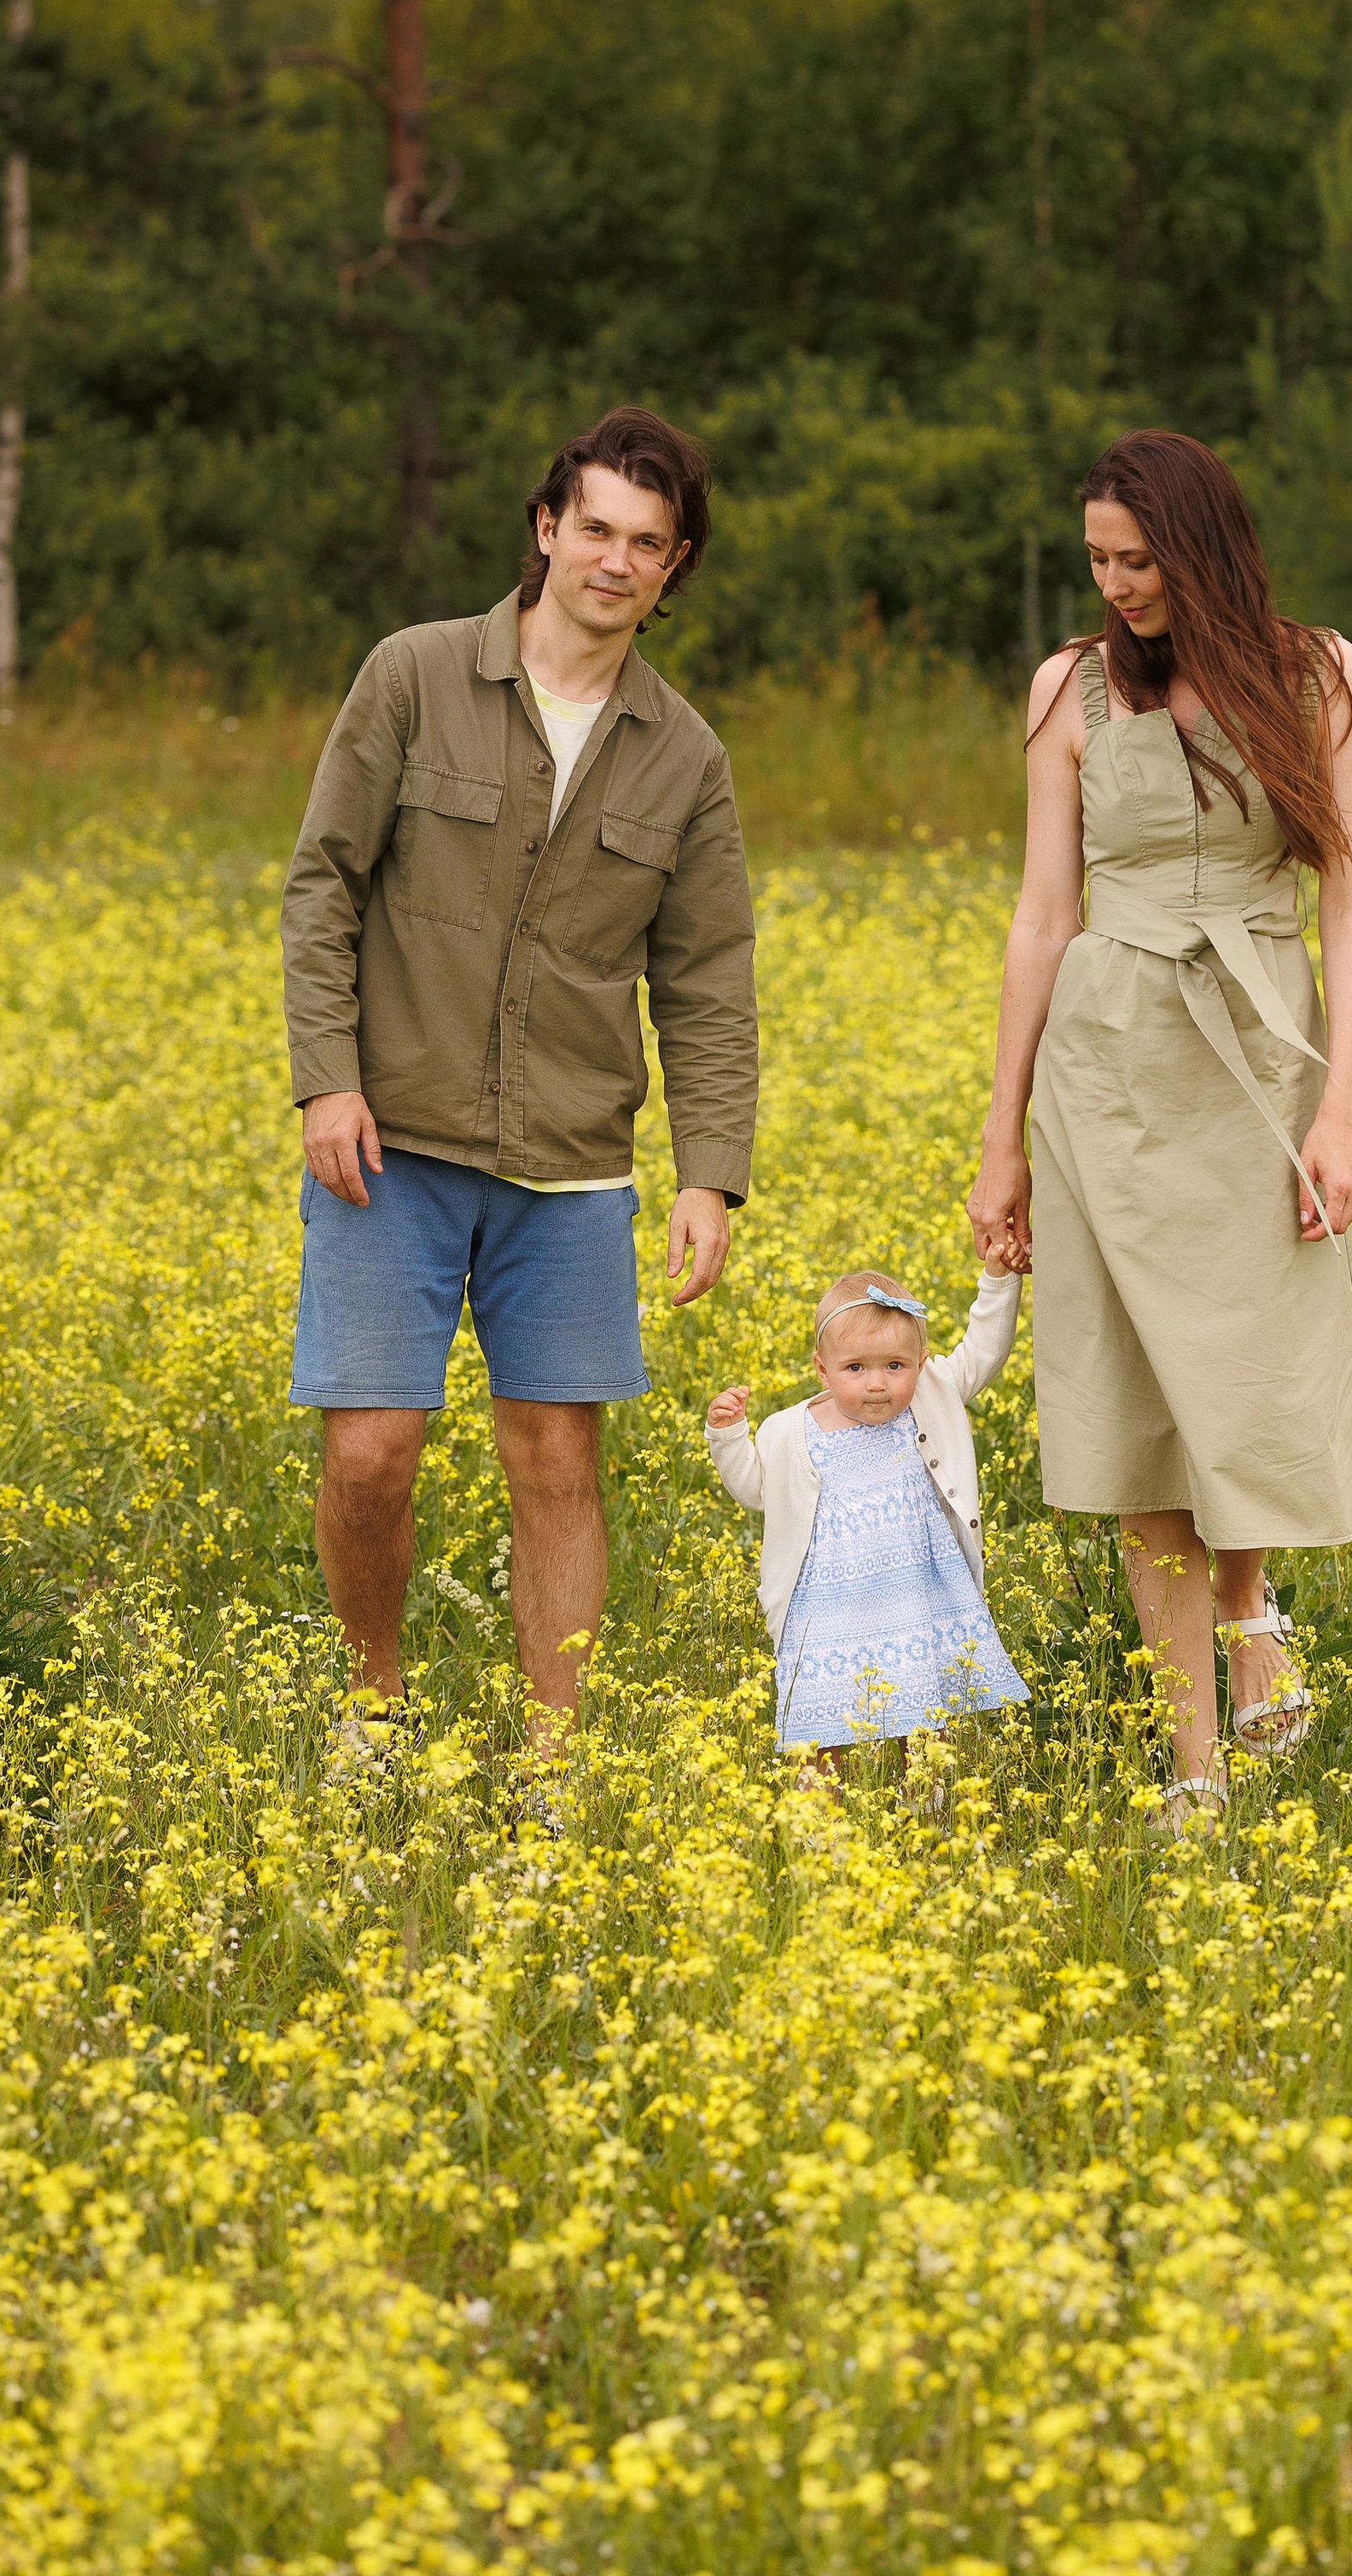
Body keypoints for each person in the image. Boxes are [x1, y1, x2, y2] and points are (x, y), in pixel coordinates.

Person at [282, 405, 758, 1769]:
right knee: (371, 1453)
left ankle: (554, 1767)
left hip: (570, 1160)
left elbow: (709, 980)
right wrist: (327, 1081)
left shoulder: (688, 757)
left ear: (675, 572)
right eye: (595, 528)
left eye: (648, 544)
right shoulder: (415, 675)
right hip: (393, 1144)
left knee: (556, 1460)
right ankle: (374, 1710)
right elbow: (322, 884)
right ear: (547, 529)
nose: (615, 560)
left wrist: (707, 1171)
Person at [966, 428, 1352, 1833]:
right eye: (1098, 561)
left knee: (1250, 1374)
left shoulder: (1320, 673)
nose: (1117, 585)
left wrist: (1341, 1109)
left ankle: (1254, 1608)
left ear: (1200, 548)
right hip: (1109, 1067)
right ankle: (1194, 1765)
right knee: (1141, 1407)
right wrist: (1001, 1141)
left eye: (1138, 559)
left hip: (1261, 1053)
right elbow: (1043, 915)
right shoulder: (1067, 691)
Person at [703, 1266, 1029, 1769]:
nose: (877, 1384)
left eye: (895, 1365)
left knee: (924, 1710)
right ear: (822, 1368)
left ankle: (931, 1812)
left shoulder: (930, 1398)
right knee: (817, 1728)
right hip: (827, 1608)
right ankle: (816, 1831)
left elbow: (984, 1349)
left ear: (921, 1364)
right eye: (855, 1368)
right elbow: (754, 1489)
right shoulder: (790, 1430)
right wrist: (728, 1436)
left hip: (914, 1595)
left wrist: (998, 1278)